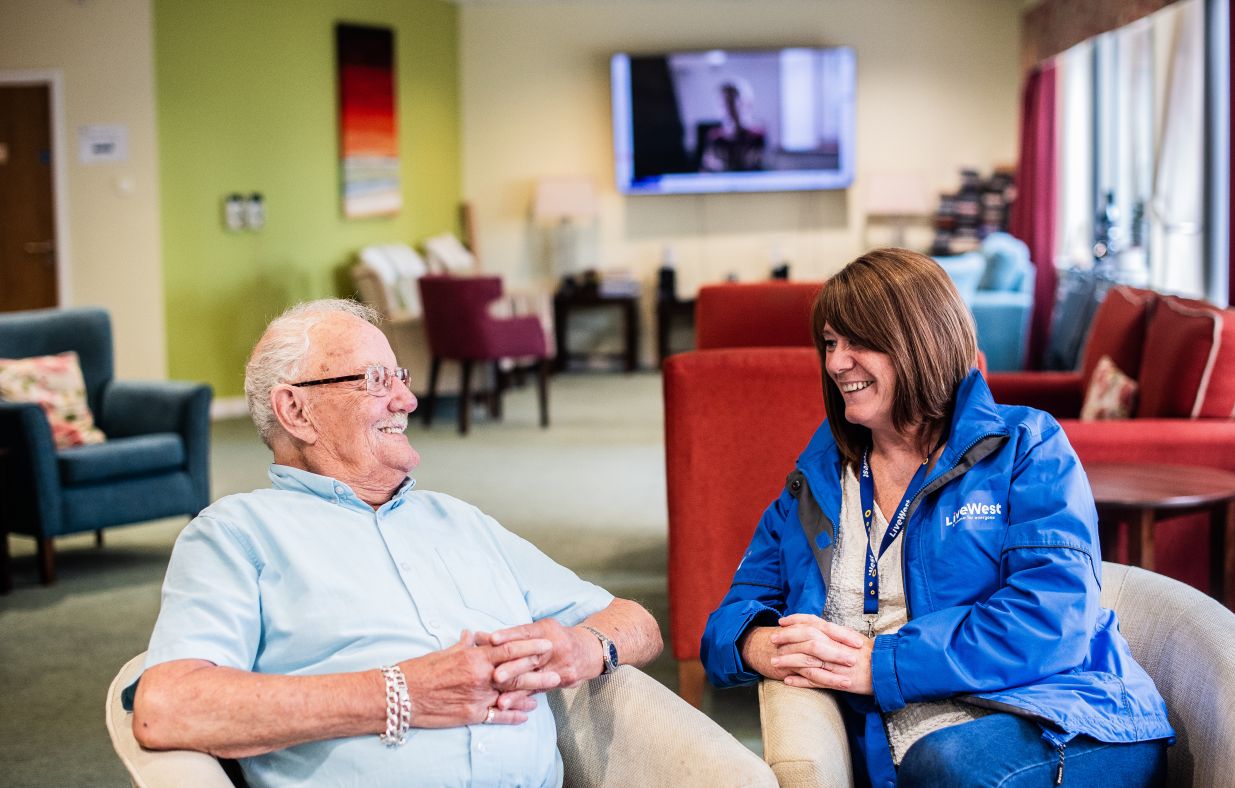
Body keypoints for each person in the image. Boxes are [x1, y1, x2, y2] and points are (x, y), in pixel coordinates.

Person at [131, 299, 662, 787]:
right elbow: (168, 707)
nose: (406, 399)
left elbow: (636, 623)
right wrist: (401, 693)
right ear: (296, 412)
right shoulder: (237, 533)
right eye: (376, 379)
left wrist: (584, 648)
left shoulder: (459, 520)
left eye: (400, 377)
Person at [700, 250, 1172, 787]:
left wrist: (882, 665)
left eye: (859, 341)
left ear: (921, 341)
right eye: (830, 344)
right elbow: (726, 620)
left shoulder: (1026, 446)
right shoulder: (819, 479)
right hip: (916, 743)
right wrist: (756, 643)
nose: (836, 363)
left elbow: (1052, 619)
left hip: (1062, 720)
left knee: (947, 764)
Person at [698, 78, 766, 173]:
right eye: (723, 104)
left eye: (731, 103)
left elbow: (757, 167)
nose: (727, 109)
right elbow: (705, 169)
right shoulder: (715, 137)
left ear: (744, 104)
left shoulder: (757, 136)